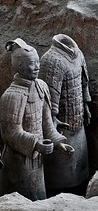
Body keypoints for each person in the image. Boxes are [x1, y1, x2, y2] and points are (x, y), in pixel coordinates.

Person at [0, 38, 74, 200]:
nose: (38, 66)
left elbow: (46, 123)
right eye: (33, 63)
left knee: (38, 200)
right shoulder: (12, 96)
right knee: (18, 203)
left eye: (38, 62)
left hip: (36, 158)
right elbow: (10, 134)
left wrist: (58, 142)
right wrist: (37, 144)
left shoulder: (41, 86)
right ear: (20, 66)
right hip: (17, 163)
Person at [39, 34, 90, 194]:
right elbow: (47, 99)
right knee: (60, 179)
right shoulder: (51, 60)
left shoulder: (78, 54)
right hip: (61, 128)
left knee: (80, 174)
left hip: (79, 123)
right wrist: (52, 121)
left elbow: (83, 83)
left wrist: (86, 105)